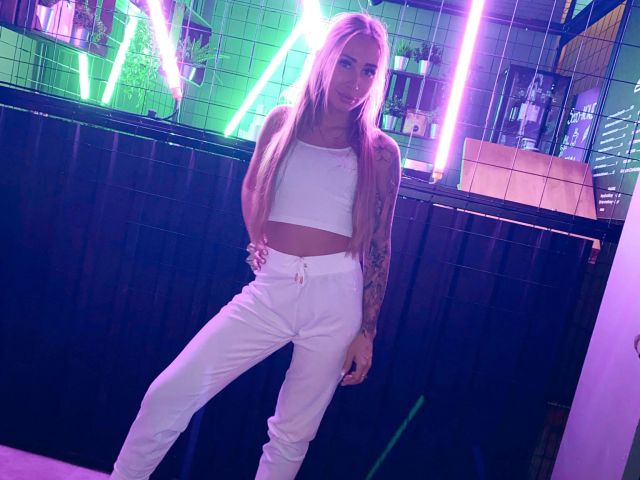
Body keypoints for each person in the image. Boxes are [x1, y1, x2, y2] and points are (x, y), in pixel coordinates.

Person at [110, 11, 401, 480]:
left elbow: (381, 245)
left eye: (369, 70)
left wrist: (367, 331)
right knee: (170, 392)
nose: (356, 82)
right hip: (273, 286)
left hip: (336, 298)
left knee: (292, 434)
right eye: (346, 63)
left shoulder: (381, 151)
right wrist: (257, 238)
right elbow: (252, 185)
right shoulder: (282, 122)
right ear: (325, 58)